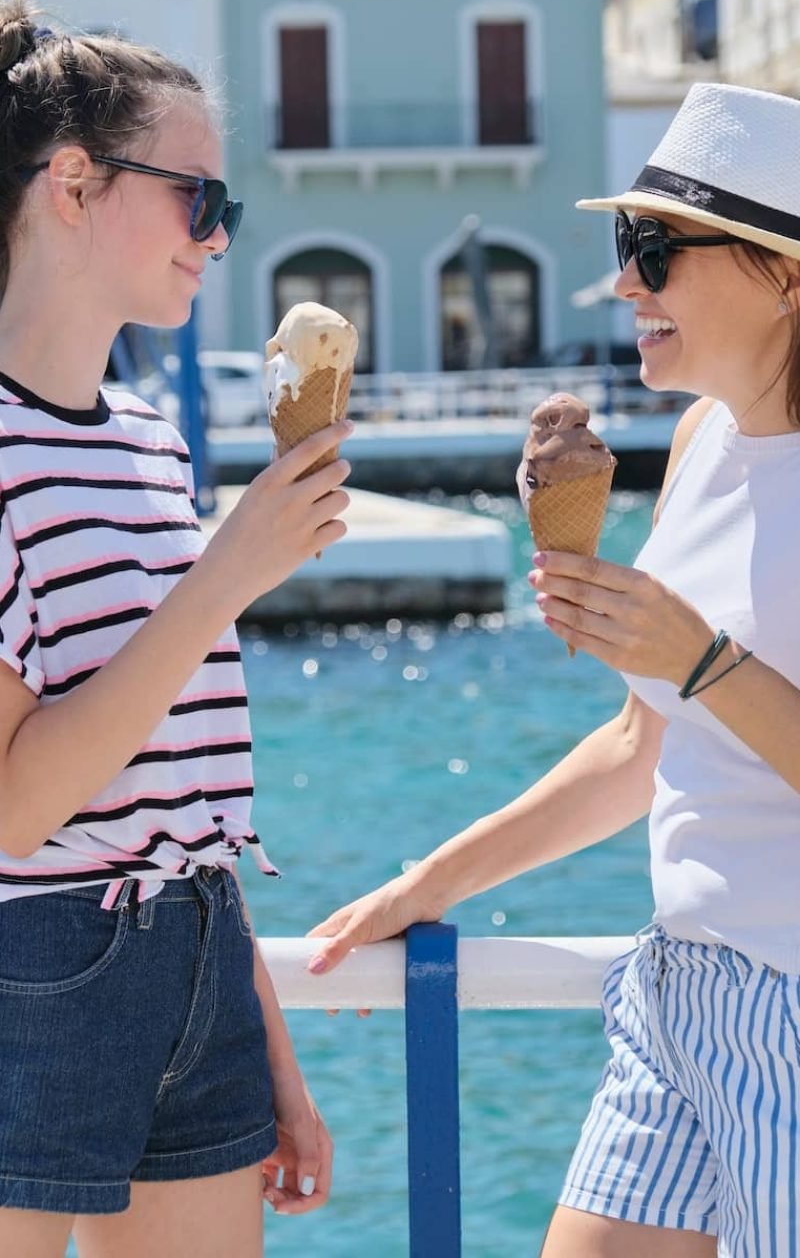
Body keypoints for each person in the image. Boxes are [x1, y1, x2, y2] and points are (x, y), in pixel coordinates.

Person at [307, 82, 800, 1258]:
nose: (622, 283)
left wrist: (696, 655)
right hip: (677, 991)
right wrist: (429, 880)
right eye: (620, 248)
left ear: (782, 271)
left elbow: (695, 683)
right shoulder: (699, 443)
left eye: (653, 249)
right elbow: (644, 744)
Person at [0, 0, 351, 1258]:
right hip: (34, 965)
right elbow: (16, 807)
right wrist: (225, 576)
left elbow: (181, 780)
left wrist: (264, 1048)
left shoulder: (153, 442)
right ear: (75, 184)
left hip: (197, 955)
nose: (217, 237)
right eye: (198, 197)